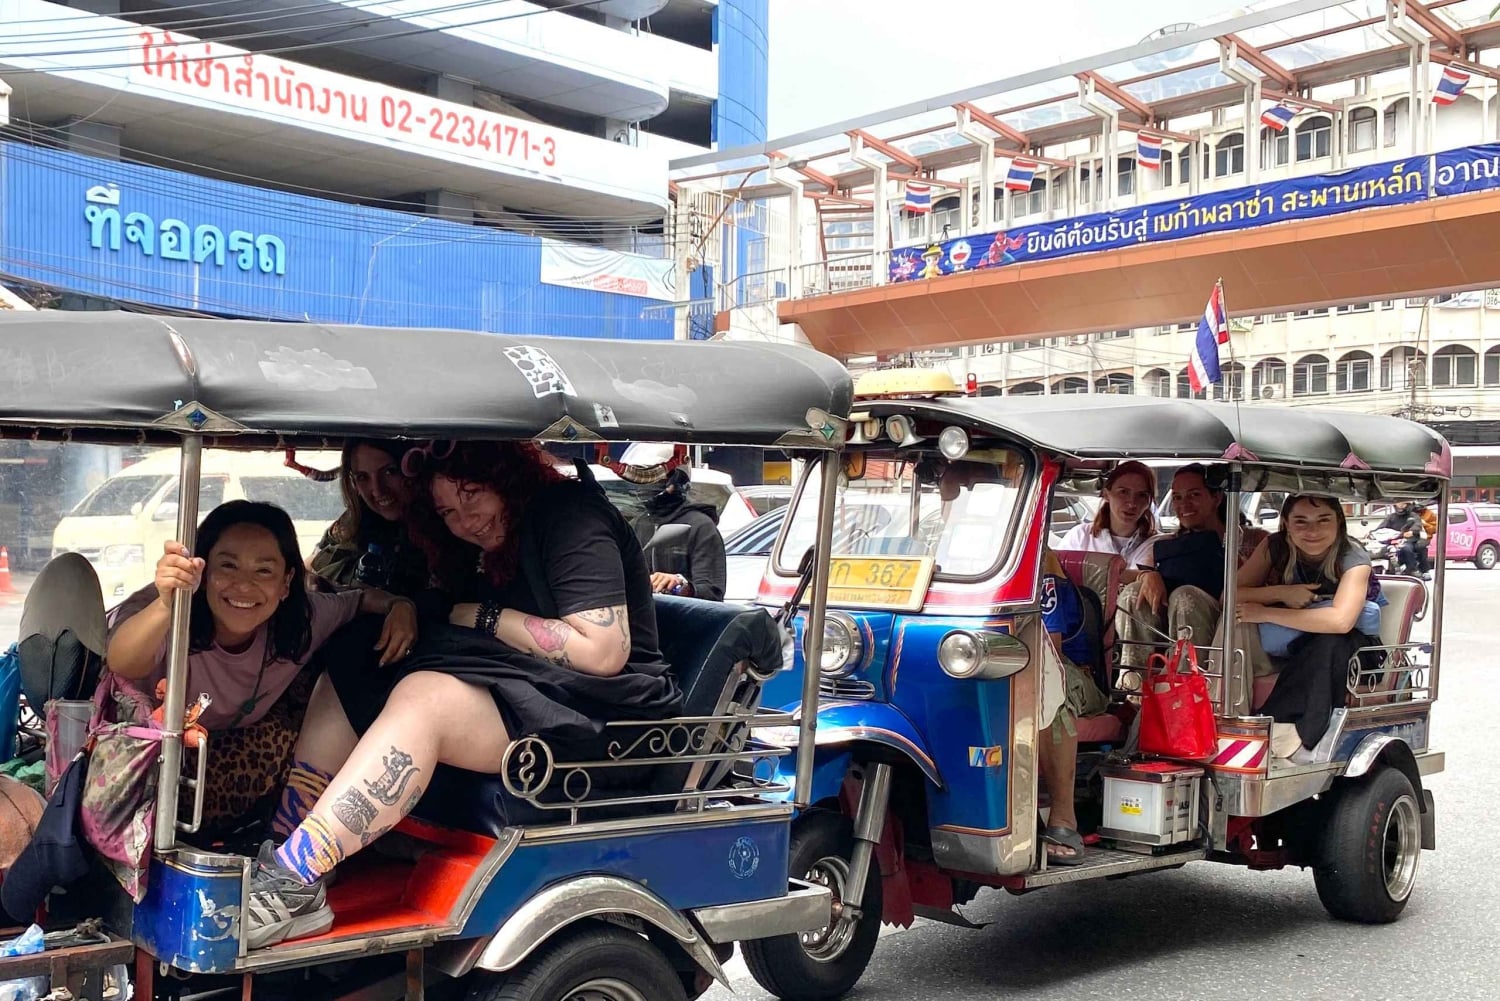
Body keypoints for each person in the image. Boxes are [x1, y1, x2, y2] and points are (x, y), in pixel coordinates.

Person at [249, 441, 682, 949]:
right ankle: (287, 844)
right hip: (534, 689)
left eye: (473, 497)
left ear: (507, 479)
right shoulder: (481, 541)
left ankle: (296, 879)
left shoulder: (571, 518)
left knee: (426, 697)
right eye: (449, 511)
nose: (466, 521)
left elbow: (603, 650)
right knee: (355, 661)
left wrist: (484, 617)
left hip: (610, 719)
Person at [105, 501, 419, 836]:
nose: (243, 586)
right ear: (203, 571)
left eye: (264, 571)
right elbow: (123, 662)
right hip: (147, 768)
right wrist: (167, 603)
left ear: (286, 583)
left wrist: (400, 606)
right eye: (227, 566)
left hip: (240, 762)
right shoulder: (171, 610)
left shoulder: (303, 619)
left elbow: (358, 600)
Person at [1234, 495, 1386, 762]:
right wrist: (1282, 592)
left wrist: (1265, 611)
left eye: (1323, 520)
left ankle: (1297, 731)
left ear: (1338, 522)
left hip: (1354, 646)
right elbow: (1230, 595)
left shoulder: (1352, 555)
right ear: (1286, 525)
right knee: (1237, 619)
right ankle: (1228, 712)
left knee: (1330, 641)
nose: (1312, 531)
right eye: (1300, 522)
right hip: (1295, 640)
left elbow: (1341, 621)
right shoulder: (1276, 546)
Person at [1117, 465, 1270, 667]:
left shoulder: (1254, 540)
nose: (1184, 504)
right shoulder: (1168, 544)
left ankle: (1185, 683)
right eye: (1177, 497)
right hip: (1165, 631)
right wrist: (1146, 576)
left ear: (1216, 498)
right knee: (1134, 593)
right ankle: (1134, 680)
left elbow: (1270, 585)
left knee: (1184, 595)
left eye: (1194, 494)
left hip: (1231, 626)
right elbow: (1123, 574)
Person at [1036, 549, 1111, 866]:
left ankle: (1063, 818)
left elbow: (1048, 648)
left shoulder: (1043, 570)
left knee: (1049, 690)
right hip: (1010, 660)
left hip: (1073, 673)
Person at [308, 439, 429, 594]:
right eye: (363, 477)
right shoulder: (352, 522)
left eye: (390, 471)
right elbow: (309, 567)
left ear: (412, 467)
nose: (378, 490)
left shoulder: (447, 527)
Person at [630, 464, 727, 601]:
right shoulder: (639, 523)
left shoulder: (700, 526)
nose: (645, 485)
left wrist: (680, 585)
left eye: (654, 478)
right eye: (640, 479)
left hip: (682, 617)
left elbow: (712, 592)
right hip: (644, 615)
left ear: (676, 481)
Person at [1058, 461, 1158, 569]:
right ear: (1106, 494)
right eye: (1123, 492)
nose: (1132, 503)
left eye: (1142, 495)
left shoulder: (1158, 544)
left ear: (1149, 501)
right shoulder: (1080, 537)